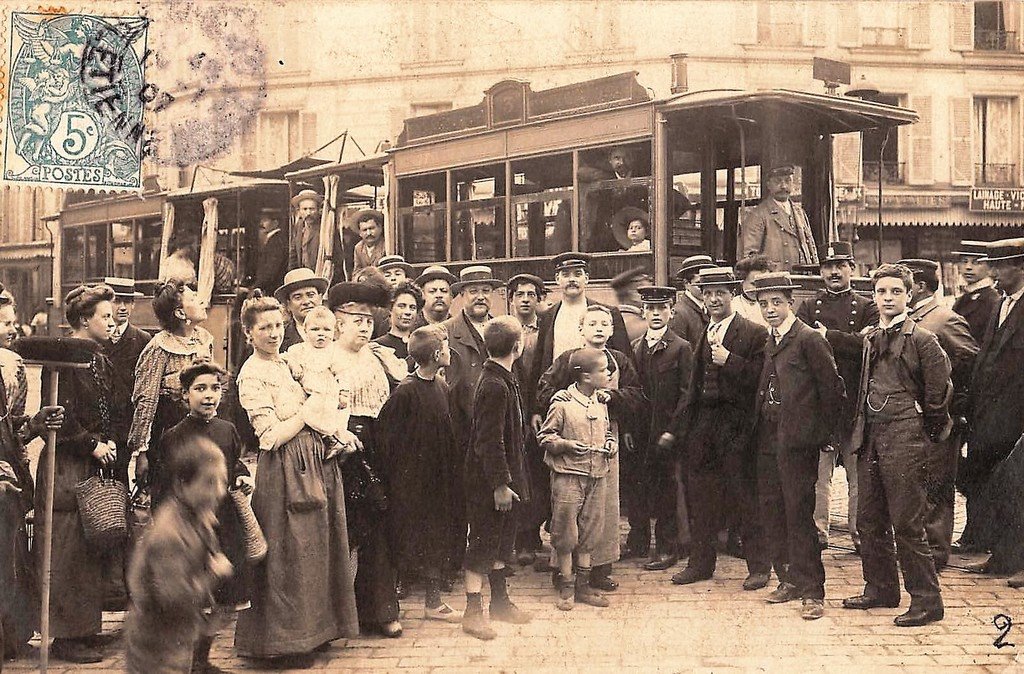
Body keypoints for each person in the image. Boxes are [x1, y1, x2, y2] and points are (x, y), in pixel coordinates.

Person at [234, 291, 358, 665]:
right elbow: (269, 436)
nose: (272, 334)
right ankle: (284, 642)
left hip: (314, 460)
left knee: (316, 550)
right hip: (285, 468)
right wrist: (309, 410)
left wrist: (334, 418)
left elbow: (323, 396)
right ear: (247, 333)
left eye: (277, 326)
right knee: (290, 555)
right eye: (264, 328)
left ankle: (314, 633)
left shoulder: (288, 364)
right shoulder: (251, 374)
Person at [840, 263, 950, 628]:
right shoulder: (871, 336)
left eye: (895, 292)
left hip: (905, 439)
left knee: (907, 523)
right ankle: (881, 588)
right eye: (882, 292)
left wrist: (923, 433)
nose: (888, 298)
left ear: (909, 295)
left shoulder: (922, 340)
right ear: (874, 296)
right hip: (870, 435)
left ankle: (927, 601)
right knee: (868, 519)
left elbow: (938, 396)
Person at [750, 273, 844, 621]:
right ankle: (787, 578)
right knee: (772, 509)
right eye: (763, 304)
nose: (770, 310)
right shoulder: (770, 340)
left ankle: (811, 590)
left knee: (798, 513)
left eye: (776, 302)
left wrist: (820, 436)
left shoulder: (808, 339)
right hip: (767, 438)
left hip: (797, 442)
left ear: (790, 301)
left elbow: (832, 392)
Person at [671, 267, 770, 590]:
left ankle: (759, 567)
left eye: (720, 293)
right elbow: (694, 383)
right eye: (708, 292)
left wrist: (730, 360)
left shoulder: (754, 332)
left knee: (744, 497)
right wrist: (684, 427)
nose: (713, 299)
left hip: (736, 427)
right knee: (701, 499)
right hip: (703, 427)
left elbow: (762, 378)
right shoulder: (704, 330)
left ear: (733, 295)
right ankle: (701, 564)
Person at [153, 363, 254, 672]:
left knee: (223, 598)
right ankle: (182, 661)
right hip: (192, 525)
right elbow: (164, 486)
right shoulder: (174, 437)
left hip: (225, 523)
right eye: (200, 389)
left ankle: (201, 660)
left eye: (215, 389)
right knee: (194, 597)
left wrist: (241, 477)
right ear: (185, 395)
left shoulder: (227, 430)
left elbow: (235, 464)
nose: (209, 396)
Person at [536, 304, 642, 592]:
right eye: (592, 323)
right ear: (581, 329)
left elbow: (638, 394)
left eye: (604, 324)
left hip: (606, 440)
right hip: (572, 444)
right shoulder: (568, 360)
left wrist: (614, 396)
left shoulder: (619, 360)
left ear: (611, 330)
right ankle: (563, 570)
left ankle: (600, 569)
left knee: (604, 507)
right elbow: (544, 389)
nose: (598, 328)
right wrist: (564, 402)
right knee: (569, 508)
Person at [38, 284, 117, 663]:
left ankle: (85, 628)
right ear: (84, 320)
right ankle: (66, 637)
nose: (112, 322)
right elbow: (58, 417)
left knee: (89, 548)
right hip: (66, 464)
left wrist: (110, 442)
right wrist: (92, 445)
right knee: (67, 547)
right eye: (105, 316)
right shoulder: (65, 358)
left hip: (92, 461)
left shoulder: (99, 357)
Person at [328, 282, 408, 639]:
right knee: (345, 529)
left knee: (379, 525)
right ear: (337, 321)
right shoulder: (325, 358)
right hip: (341, 446)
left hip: (377, 443)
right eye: (355, 319)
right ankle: (337, 615)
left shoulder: (377, 357)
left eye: (368, 320)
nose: (363, 327)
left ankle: (380, 610)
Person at [124, 437, 233, 674]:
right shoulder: (169, 535)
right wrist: (213, 574)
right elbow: (174, 599)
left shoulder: (195, 513)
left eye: (223, 481)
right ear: (182, 485)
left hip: (177, 641)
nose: (219, 491)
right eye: (209, 483)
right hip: (156, 652)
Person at [796, 242, 878, 553]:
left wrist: (827, 336)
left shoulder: (867, 305)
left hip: (856, 400)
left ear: (851, 269)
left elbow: (866, 344)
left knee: (859, 475)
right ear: (820, 272)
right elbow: (802, 344)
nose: (834, 271)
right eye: (828, 266)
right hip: (821, 401)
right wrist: (847, 341)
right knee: (821, 474)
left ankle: (861, 535)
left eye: (840, 265)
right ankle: (819, 533)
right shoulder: (808, 307)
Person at [377, 325, 462, 623]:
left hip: (438, 482)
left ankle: (434, 602)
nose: (450, 352)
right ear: (437, 354)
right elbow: (387, 439)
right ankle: (390, 606)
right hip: (411, 484)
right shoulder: (405, 392)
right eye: (447, 347)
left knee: (437, 539)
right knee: (407, 539)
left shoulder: (441, 386)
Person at [899, 257, 978, 569]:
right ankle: (918, 549)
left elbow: (971, 363)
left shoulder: (944, 318)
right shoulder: (912, 317)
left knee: (936, 486)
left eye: (905, 285)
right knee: (916, 485)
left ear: (918, 287)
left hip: (939, 418)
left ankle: (935, 552)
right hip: (910, 419)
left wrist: (954, 409)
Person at [0, 290, 63, 662]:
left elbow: (13, 428)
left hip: (9, 477)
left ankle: (12, 634)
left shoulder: (12, 365)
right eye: (4, 322)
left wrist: (36, 424)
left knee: (12, 557)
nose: (12, 328)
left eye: (12, 320)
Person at [461, 316, 532, 641]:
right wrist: (500, 485)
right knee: (482, 545)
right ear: (517, 346)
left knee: (502, 542)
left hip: (505, 481)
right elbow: (489, 442)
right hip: (489, 484)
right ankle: (472, 612)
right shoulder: (493, 384)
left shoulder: (504, 377)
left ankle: (500, 603)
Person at [538, 347, 616, 611]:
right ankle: (567, 585)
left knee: (591, 531)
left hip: (597, 475)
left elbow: (606, 431)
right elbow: (545, 437)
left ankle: (583, 586)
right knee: (565, 533)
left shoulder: (600, 401)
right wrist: (566, 445)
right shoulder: (562, 403)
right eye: (604, 370)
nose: (609, 374)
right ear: (585, 377)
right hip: (568, 478)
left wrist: (610, 444)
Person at [960, 238, 1024, 561]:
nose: (994, 272)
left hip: (1015, 415)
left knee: (1014, 486)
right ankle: (991, 547)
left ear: (1021, 267)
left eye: (1001, 265)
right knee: (987, 479)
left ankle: (1012, 557)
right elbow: (985, 358)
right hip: (989, 412)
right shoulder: (1001, 304)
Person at [443, 266, 504, 583]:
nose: (480, 296)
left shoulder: (502, 330)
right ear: (462, 296)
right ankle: (456, 565)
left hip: (492, 430)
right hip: (459, 431)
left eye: (485, 290)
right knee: (458, 502)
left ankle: (491, 568)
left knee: (490, 504)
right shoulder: (445, 332)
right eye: (472, 290)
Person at [131, 279, 214, 502]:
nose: (202, 301)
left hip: (202, 432)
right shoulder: (158, 348)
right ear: (179, 313)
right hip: (169, 437)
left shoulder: (204, 340)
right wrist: (141, 453)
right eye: (194, 299)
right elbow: (145, 402)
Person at [631, 285, 693, 572]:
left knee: (668, 488)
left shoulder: (681, 348)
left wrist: (674, 430)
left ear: (670, 311)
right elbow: (632, 392)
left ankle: (669, 547)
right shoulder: (635, 347)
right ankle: (639, 543)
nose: (656, 314)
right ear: (643, 312)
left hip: (667, 431)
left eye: (662, 308)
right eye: (650, 309)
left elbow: (687, 393)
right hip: (642, 430)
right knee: (643, 486)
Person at [531, 253, 631, 418]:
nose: (572, 280)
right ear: (557, 279)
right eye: (566, 274)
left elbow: (625, 366)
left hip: (600, 403)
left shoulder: (607, 314)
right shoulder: (549, 316)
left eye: (577, 274)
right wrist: (536, 410)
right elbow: (539, 364)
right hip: (561, 401)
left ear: (587, 278)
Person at [507, 273, 547, 568]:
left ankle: (534, 535)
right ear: (511, 299)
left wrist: (537, 408)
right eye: (519, 294)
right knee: (515, 473)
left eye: (530, 294)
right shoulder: (503, 330)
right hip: (512, 411)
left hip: (538, 412)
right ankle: (520, 538)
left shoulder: (545, 330)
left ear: (538, 299)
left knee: (538, 473)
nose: (524, 299)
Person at [283, 306, 355, 458]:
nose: (321, 334)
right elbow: (286, 357)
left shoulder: (334, 352)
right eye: (315, 329)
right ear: (305, 330)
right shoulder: (299, 349)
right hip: (307, 391)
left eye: (326, 330)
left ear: (334, 332)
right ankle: (332, 440)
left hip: (326, 392)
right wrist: (294, 364)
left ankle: (335, 440)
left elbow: (343, 373)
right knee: (306, 413)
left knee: (323, 413)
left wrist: (344, 393)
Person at [740, 164, 819, 271]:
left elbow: (811, 248)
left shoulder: (800, 212)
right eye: (778, 181)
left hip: (804, 278)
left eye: (787, 181)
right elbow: (749, 257)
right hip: (776, 281)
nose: (783, 186)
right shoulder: (758, 215)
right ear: (768, 185)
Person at [577, 145, 649, 252]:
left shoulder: (643, 178)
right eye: (617, 158)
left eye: (626, 157)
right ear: (610, 161)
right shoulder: (605, 179)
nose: (622, 162)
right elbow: (580, 173)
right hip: (611, 239)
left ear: (632, 159)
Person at [951, 240, 1001, 347]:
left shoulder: (993, 300)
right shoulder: (963, 298)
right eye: (964, 261)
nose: (968, 267)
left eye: (976, 262)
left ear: (990, 268)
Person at [273, 268, 329, 352]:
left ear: (320, 298)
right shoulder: (280, 337)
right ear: (288, 305)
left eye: (310, 295)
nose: (306, 302)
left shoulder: (336, 332)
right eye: (298, 297)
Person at [669, 254, 714, 348]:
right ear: (686, 284)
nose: (704, 289)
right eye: (699, 284)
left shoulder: (709, 307)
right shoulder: (679, 313)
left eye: (707, 284)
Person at [374, 281, 423, 361]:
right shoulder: (377, 346)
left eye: (412, 307)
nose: (408, 312)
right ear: (390, 309)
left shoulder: (422, 345)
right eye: (402, 306)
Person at [251, 208, 288, 295]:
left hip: (274, 288)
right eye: (261, 220)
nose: (261, 223)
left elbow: (271, 269)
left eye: (265, 220)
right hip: (270, 287)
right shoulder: (272, 239)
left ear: (275, 223)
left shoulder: (277, 241)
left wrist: (257, 286)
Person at [732, 255, 774, 326]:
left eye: (763, 284)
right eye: (753, 284)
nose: (757, 289)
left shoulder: (773, 306)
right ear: (742, 281)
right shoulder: (733, 305)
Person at [289, 189, 324, 271]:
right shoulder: (299, 226)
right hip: (302, 273)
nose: (308, 213)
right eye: (305, 209)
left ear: (318, 210)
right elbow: (293, 252)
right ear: (299, 211)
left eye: (312, 209)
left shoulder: (324, 227)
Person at [352, 209, 386, 275]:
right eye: (364, 230)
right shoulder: (358, 248)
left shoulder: (386, 245)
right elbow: (356, 271)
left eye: (371, 228)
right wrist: (360, 278)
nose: (368, 233)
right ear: (360, 233)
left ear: (380, 228)